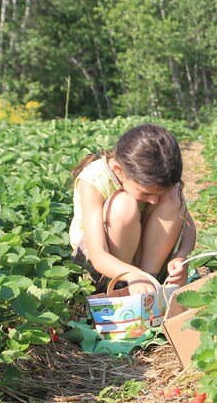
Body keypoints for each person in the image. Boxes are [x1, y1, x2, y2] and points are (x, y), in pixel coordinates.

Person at [68, 123, 197, 294]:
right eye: (146, 194)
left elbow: (188, 226)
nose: (153, 201)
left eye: (158, 195)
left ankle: (150, 284)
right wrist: (133, 274)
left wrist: (182, 257)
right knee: (124, 205)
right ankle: (118, 290)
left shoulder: (158, 184)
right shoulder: (94, 180)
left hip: (143, 266)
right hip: (99, 269)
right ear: (118, 170)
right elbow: (97, 255)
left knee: (173, 196)